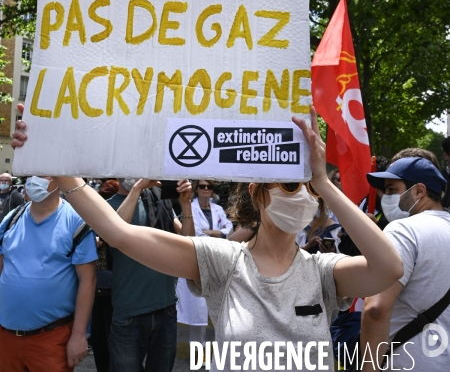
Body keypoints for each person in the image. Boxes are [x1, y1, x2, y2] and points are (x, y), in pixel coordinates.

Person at [12, 108, 403, 371]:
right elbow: (119, 233)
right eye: (289, 184)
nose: (301, 196)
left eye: (308, 190)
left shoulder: (324, 272)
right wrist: (58, 162)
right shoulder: (224, 261)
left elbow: (389, 267)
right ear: (258, 192)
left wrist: (322, 180)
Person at [361, 156, 450, 371]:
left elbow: (376, 310)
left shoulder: (403, 230)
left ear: (419, 191)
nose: (386, 197)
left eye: (392, 189)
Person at [0, 175, 97, 372]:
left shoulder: (76, 222)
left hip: (52, 339)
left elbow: (88, 280)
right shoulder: (11, 219)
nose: (35, 179)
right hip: (6, 338)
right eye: (31, 174)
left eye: (43, 174)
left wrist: (79, 336)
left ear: (59, 180)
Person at [106, 176, 194, 372]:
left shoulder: (159, 200)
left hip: (165, 309)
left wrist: (186, 205)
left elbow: (187, 244)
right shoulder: (108, 206)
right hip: (129, 313)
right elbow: (115, 233)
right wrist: (138, 188)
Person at [177, 179, 233, 347]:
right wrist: (218, 234)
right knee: (198, 312)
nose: (206, 189)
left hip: (218, 259)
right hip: (198, 258)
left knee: (220, 310)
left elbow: (228, 228)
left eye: (210, 186)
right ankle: (198, 353)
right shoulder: (190, 208)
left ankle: (221, 352)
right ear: (197, 189)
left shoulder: (218, 209)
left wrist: (211, 232)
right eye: (202, 186)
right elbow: (194, 234)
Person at [89, 179, 119, 372]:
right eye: (103, 197)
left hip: (116, 288)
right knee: (99, 338)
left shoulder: (122, 216)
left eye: (109, 198)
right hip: (95, 286)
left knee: (114, 340)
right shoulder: (91, 215)